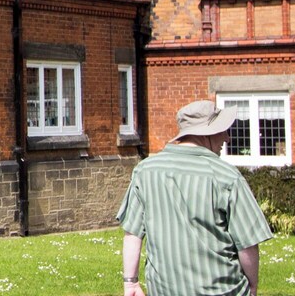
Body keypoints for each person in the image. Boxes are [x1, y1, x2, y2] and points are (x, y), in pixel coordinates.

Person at [117, 100, 274, 296]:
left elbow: (132, 233)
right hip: (222, 291)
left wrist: (130, 283)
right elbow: (248, 243)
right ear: (207, 133)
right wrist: (252, 286)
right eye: (223, 130)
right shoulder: (226, 176)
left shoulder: (146, 170)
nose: (228, 138)